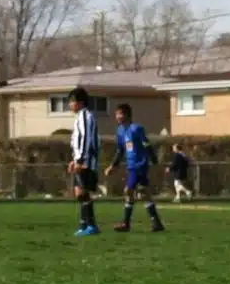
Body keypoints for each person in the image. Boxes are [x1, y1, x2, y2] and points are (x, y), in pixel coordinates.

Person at [105, 103, 164, 233]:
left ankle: (126, 223)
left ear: (126, 115)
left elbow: (146, 145)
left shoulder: (136, 129)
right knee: (144, 192)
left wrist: (154, 161)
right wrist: (112, 166)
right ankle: (156, 222)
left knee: (128, 190)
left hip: (140, 164)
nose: (117, 117)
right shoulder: (120, 131)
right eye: (116, 114)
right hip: (131, 165)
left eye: (119, 114)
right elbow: (120, 150)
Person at [66, 87, 100, 237]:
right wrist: (74, 159)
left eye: (71, 102)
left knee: (82, 192)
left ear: (79, 103)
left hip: (86, 161)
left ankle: (90, 226)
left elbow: (86, 139)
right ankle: (85, 225)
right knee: (80, 192)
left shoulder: (85, 116)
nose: (69, 105)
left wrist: (80, 160)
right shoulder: (80, 116)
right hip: (80, 159)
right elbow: (78, 141)